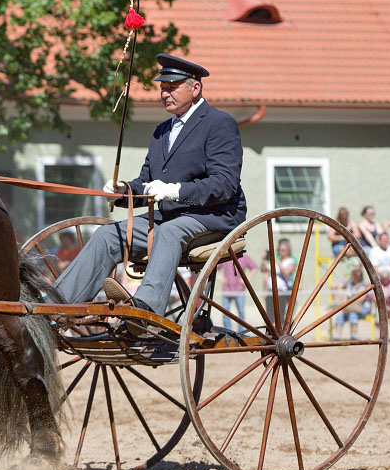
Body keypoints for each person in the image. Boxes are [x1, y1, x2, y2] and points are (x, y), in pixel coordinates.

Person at [54, 54, 246, 328]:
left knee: (169, 231)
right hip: (168, 216)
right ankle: (58, 304)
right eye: (162, 87)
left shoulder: (218, 124)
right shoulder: (160, 132)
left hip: (212, 216)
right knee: (108, 234)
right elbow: (147, 180)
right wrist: (123, 191)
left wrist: (176, 191)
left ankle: (145, 309)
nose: (165, 92)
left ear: (195, 88)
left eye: (172, 86)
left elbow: (225, 183)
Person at [217, 253, 257, 332]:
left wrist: (246, 279)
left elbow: (254, 268)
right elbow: (215, 267)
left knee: (241, 312)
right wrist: (220, 278)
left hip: (239, 290)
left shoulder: (244, 257)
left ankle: (241, 332)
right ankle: (228, 332)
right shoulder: (226, 257)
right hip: (227, 289)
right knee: (225, 311)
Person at [332, 266, 371, 341]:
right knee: (340, 315)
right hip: (350, 308)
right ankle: (337, 335)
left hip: (361, 308)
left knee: (353, 315)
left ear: (358, 277)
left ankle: (354, 335)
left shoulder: (363, 286)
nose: (351, 278)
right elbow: (345, 297)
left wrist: (348, 302)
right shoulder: (349, 285)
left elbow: (360, 300)